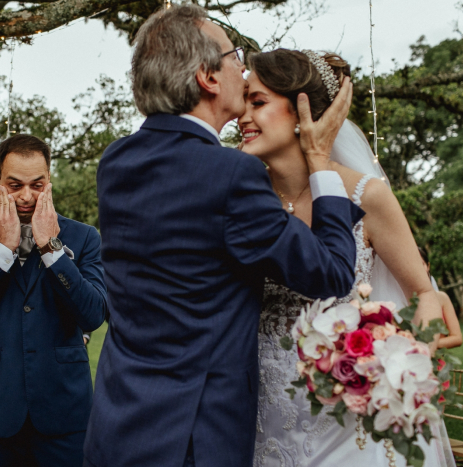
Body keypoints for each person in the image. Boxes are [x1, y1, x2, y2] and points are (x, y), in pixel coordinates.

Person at [85, 5, 363, 467]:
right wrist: (318, 160)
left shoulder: (116, 162)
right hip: (193, 439)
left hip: (119, 424)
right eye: (235, 56)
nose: (242, 67)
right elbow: (330, 272)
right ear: (208, 78)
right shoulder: (232, 173)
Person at [237, 49, 452, 466]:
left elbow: (425, 295)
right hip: (259, 412)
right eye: (243, 100)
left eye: (258, 102)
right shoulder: (244, 198)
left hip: (346, 419)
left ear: (305, 112)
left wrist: (391, 367)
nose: (241, 116)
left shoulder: (365, 195)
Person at [0, 134, 107, 467]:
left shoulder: (84, 236)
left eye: (37, 185)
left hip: (64, 410)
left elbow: (93, 315)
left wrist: (51, 248)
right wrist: (2, 251)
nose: (26, 197)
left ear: (49, 183)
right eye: (15, 185)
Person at [419, 247, 462, 349]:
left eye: (421, 264)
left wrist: (425, 347)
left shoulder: (441, 298)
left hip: (437, 362)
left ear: (428, 266)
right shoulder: (398, 300)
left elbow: (457, 338)